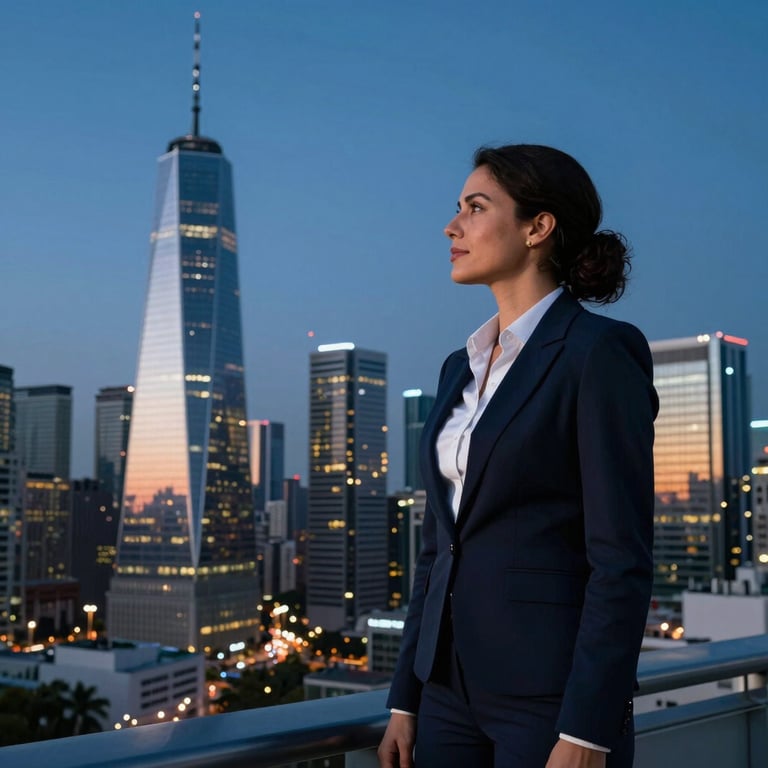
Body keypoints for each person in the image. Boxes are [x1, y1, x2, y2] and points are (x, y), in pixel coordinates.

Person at [378, 144, 658, 768]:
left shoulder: (598, 353)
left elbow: (621, 560)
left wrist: (588, 730)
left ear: (538, 227)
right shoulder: (461, 366)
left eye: (475, 208)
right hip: (446, 690)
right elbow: (437, 548)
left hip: (550, 698)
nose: (452, 226)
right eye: (457, 209)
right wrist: (407, 698)